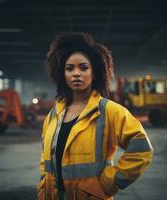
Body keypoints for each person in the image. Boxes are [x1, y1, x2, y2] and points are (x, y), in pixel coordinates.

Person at [37, 32, 153, 200]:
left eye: (83, 67)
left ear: (95, 72)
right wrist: (43, 182)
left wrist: (110, 182)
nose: (76, 73)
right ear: (62, 73)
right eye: (69, 68)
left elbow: (142, 150)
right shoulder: (53, 114)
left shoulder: (110, 111)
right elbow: (45, 157)